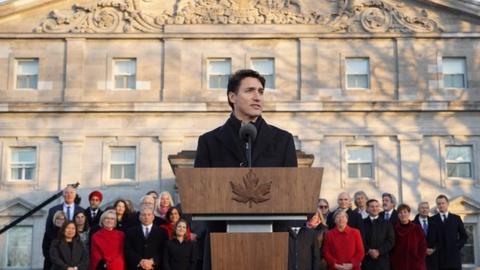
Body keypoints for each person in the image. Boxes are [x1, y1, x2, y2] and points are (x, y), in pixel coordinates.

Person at [194, 69, 297, 168]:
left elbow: (292, 184)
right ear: (232, 97)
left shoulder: (284, 140)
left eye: (261, 92)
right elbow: (199, 184)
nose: (257, 97)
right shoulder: (208, 142)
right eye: (249, 91)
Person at [431, 194, 468, 270]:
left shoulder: (456, 218)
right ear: (437, 206)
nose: (441, 205)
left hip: (454, 259)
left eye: (443, 203)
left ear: (447, 204)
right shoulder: (432, 220)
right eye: (439, 204)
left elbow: (464, 236)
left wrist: (457, 247)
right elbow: (430, 238)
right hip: (439, 259)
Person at [390, 204, 427, 270]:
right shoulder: (394, 229)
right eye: (400, 213)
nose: (403, 214)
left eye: (405, 212)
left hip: (415, 263)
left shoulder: (416, 228)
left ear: (409, 213)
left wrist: (419, 259)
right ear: (398, 215)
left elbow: (423, 245)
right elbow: (392, 246)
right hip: (399, 264)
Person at [361, 199, 395, 270]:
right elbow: (360, 240)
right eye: (372, 206)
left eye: (377, 206)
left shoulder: (387, 223)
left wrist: (379, 251)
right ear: (367, 208)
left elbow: (390, 241)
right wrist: (369, 251)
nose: (375, 208)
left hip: (382, 261)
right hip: (367, 261)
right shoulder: (362, 223)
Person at [413, 202, 441, 270]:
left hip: (432, 259)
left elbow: (439, 240)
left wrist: (434, 249)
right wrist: (423, 250)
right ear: (418, 210)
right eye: (422, 208)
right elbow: (411, 242)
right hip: (418, 259)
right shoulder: (412, 224)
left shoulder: (435, 224)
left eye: (426, 208)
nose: (424, 210)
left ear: (429, 210)